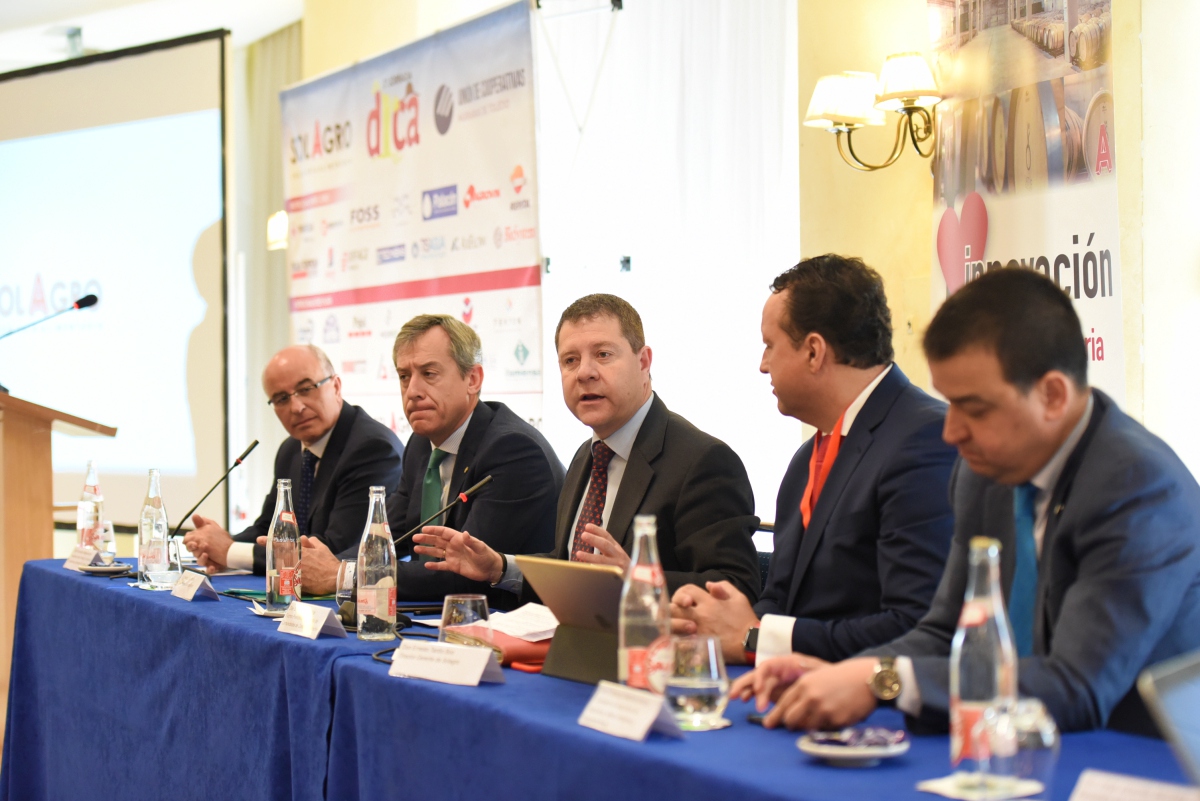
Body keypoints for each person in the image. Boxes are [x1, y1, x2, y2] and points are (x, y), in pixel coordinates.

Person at [732, 267, 1200, 736]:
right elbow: (942, 631)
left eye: (974, 408)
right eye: (949, 403)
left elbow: (1075, 685)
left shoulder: (1139, 488)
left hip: (1141, 754)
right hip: (1009, 740)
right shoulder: (983, 472)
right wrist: (847, 672)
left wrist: (881, 681)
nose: (952, 431)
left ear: (1053, 395)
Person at [671, 255, 956, 665]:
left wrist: (756, 636)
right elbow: (781, 599)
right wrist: (719, 619)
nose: (762, 365)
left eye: (770, 345)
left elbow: (913, 626)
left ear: (813, 351)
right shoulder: (807, 457)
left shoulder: (925, 440)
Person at [414, 293, 761, 600]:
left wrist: (638, 580)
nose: (584, 373)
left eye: (603, 354)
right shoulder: (588, 455)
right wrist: (500, 568)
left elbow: (737, 588)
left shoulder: (702, 461)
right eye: (570, 360)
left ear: (643, 362)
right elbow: (572, 568)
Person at [297, 315, 564, 601]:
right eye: (404, 376)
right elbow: (389, 537)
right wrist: (322, 563)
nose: (412, 391)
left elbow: (465, 573)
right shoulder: (422, 443)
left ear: (472, 379)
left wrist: (344, 574)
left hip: (507, 616)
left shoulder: (512, 450)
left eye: (429, 373)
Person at [183, 344, 405, 575]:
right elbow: (268, 528)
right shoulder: (290, 450)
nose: (297, 407)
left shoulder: (372, 449)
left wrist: (230, 551)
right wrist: (216, 544)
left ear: (336, 386)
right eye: (281, 399)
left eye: (306, 389)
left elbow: (333, 550)